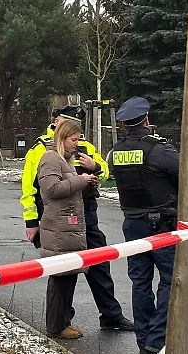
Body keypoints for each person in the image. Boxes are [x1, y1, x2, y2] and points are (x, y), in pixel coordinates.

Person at [21, 105, 134, 332]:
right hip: (59, 215)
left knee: (99, 263)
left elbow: (103, 170)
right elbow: (30, 188)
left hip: (86, 212)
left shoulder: (84, 145)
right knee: (64, 271)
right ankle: (61, 321)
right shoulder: (42, 149)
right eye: (67, 122)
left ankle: (111, 316)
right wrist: (31, 221)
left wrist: (96, 168)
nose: (75, 133)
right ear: (56, 122)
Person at [109, 97, 180, 354]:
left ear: (123, 124)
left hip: (132, 224)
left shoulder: (115, 152)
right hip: (161, 224)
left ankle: (144, 338)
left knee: (140, 281)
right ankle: (157, 337)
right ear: (147, 120)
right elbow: (184, 174)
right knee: (170, 279)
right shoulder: (159, 150)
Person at [37, 119, 99, 339]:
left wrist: (88, 181)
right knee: (61, 277)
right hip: (59, 228)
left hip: (67, 227)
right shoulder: (50, 158)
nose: (76, 144)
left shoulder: (66, 160)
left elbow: (69, 188)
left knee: (68, 276)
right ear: (62, 138)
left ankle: (62, 322)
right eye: (73, 139)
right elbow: (52, 189)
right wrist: (81, 180)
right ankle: (57, 326)